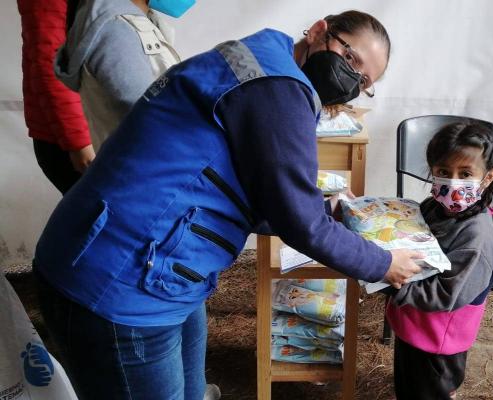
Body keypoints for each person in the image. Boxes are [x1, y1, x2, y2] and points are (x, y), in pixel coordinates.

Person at [33, 10, 423, 399]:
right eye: (351, 59)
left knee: (191, 389)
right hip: (118, 278)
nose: (351, 79)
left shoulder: (267, 62)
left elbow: (265, 190)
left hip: (161, 269)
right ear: (320, 30)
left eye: (363, 81)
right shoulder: (280, 89)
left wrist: (329, 209)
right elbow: (301, 224)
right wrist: (383, 265)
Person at [385, 122, 493, 400]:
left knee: (427, 390)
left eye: (465, 174)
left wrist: (391, 282)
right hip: (413, 326)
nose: (453, 183)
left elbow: (446, 295)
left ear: (487, 177)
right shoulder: (432, 208)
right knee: (408, 387)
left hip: (437, 343)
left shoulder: (477, 238)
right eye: (443, 173)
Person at [55, 0, 181, 151]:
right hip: (145, 164)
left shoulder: (138, 20)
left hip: (150, 163)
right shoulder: (115, 29)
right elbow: (146, 117)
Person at [17, 0, 93, 194]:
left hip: (96, 126)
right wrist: (79, 143)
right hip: (73, 138)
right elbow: (50, 62)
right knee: (98, 222)